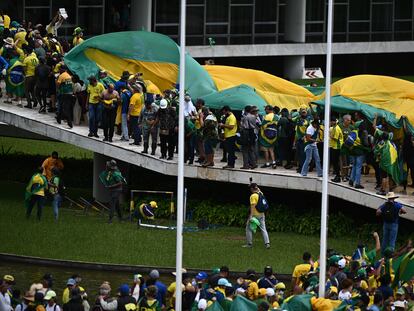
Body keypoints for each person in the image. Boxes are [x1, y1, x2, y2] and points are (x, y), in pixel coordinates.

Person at [243, 183, 270, 249]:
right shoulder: (260, 193)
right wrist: (256, 187)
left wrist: (251, 216)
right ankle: (267, 244)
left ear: (252, 189)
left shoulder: (253, 196)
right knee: (263, 229)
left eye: (250, 188)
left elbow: (253, 206)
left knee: (248, 229)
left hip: (255, 215)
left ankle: (249, 244)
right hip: (262, 214)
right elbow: (258, 189)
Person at [330, 116, 343, 182]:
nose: (331, 122)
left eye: (332, 121)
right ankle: (337, 176)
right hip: (334, 146)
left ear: (334, 121)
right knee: (335, 162)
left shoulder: (336, 128)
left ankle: (338, 177)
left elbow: (335, 138)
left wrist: (330, 135)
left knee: (335, 162)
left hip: (337, 147)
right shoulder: (334, 128)